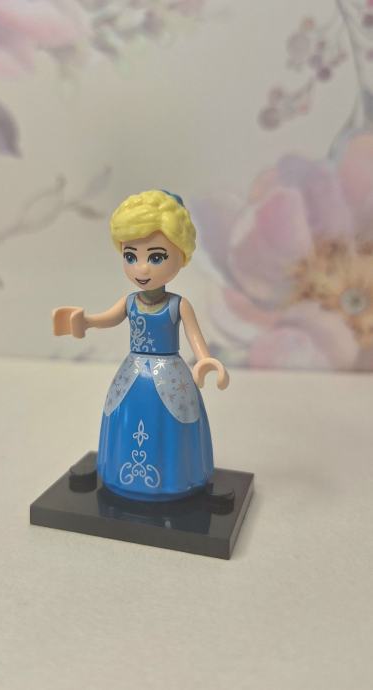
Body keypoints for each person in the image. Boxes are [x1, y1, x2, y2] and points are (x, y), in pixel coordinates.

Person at [53, 190, 229, 501]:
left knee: (172, 422)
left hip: (170, 373)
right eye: (131, 256)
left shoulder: (178, 304)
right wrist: (85, 321)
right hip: (133, 373)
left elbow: (195, 337)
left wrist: (204, 360)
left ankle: (175, 478)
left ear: (181, 256)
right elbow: (108, 318)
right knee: (126, 417)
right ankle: (123, 475)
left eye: (156, 257)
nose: (142, 268)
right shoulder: (130, 301)